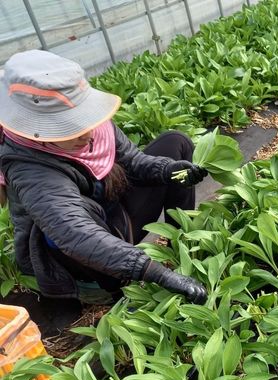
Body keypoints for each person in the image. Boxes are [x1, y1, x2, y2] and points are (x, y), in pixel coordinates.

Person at [0, 50, 207, 304]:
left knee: (176, 143)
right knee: (68, 222)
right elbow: (75, 233)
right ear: (39, 129)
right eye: (70, 128)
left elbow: (133, 163)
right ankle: (109, 287)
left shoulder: (93, 126)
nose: (88, 134)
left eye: (84, 119)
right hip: (80, 256)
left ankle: (183, 246)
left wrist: (167, 171)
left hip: (114, 217)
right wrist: (154, 272)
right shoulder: (27, 164)